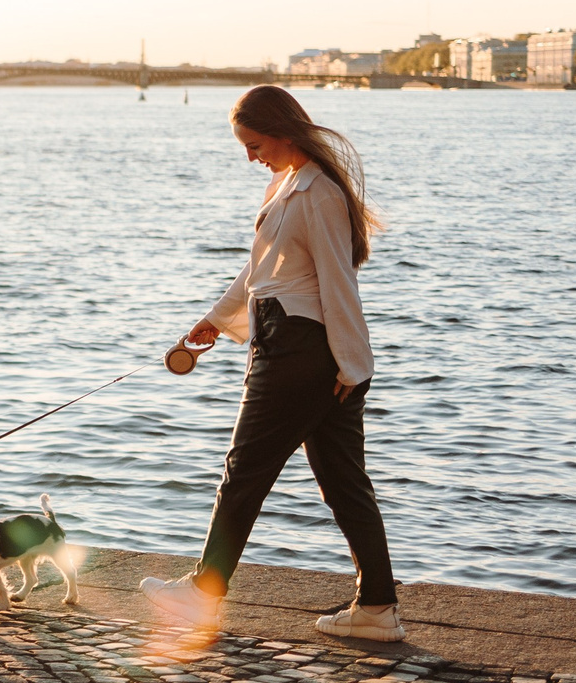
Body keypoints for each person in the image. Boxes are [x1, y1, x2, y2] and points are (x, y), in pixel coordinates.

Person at [141, 85, 404, 641]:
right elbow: (262, 269)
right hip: (298, 345)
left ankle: (203, 595)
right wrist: (216, 317)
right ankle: (378, 610)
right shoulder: (289, 184)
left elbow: (339, 281)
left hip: (299, 350)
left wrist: (354, 369)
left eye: (255, 143)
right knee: (343, 483)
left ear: (284, 132)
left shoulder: (318, 194)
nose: (250, 155)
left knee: (244, 472)